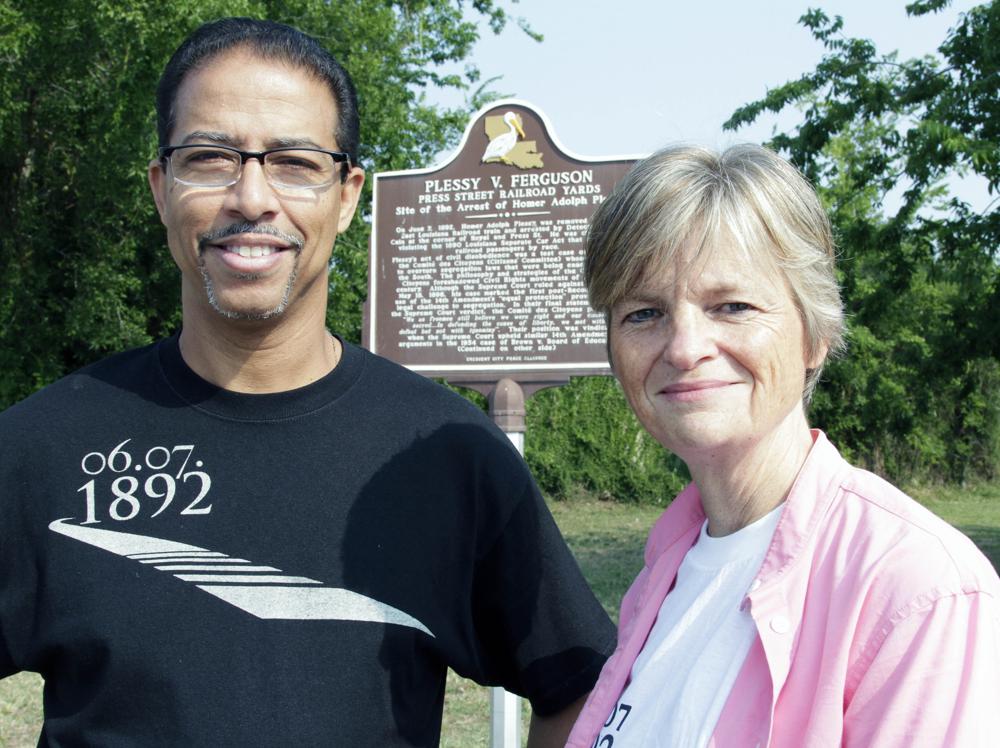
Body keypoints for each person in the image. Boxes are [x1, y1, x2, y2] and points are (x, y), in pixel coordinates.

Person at [0, 18, 615, 747]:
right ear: (162, 189)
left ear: (347, 194)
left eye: (295, 162)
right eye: (210, 158)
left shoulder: (445, 455)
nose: (252, 197)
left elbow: (582, 692)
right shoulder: (41, 446)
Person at [566, 144, 1000, 747]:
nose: (685, 347)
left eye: (733, 306)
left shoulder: (915, 588)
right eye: (644, 313)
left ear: (815, 336)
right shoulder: (668, 567)